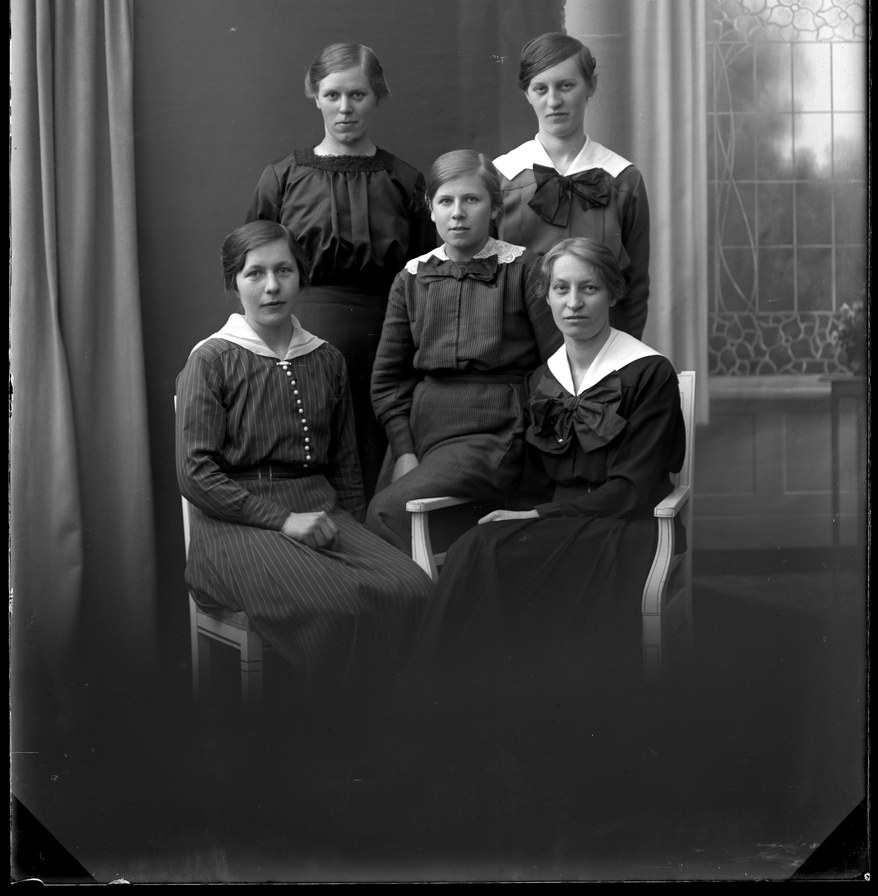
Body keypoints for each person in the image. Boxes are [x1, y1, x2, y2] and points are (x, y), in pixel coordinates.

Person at [408, 237, 685, 688]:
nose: (573, 303)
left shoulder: (650, 373)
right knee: (474, 546)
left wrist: (537, 516)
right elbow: (531, 476)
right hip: (556, 521)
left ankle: (468, 692)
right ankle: (455, 695)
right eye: (561, 289)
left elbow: (633, 488)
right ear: (548, 296)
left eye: (589, 288)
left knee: (487, 551)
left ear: (613, 295)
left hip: (626, 524)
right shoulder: (542, 378)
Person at [175, 221, 433, 690]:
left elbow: (346, 464)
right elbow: (195, 475)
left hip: (321, 511)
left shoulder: (326, 359)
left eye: (284, 270)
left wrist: (357, 536)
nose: (272, 286)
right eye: (255, 273)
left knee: (413, 587)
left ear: (301, 276)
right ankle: (337, 728)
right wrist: (282, 519)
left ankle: (393, 725)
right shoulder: (211, 361)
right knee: (337, 605)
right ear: (234, 282)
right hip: (233, 528)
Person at [246, 43, 434, 499]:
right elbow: (252, 271)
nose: (345, 108)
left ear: (377, 97)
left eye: (358, 95)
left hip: (384, 348)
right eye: (332, 95)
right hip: (297, 342)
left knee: (374, 471)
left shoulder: (405, 181)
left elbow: (426, 280)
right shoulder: (282, 178)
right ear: (315, 96)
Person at [365, 150, 561, 555]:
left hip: (495, 432)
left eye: (471, 199)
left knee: (389, 511)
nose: (457, 213)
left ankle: (434, 596)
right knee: (372, 528)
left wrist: (527, 427)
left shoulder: (524, 269)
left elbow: (558, 365)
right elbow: (388, 380)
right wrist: (404, 450)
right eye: (446, 201)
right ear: (431, 209)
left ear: (495, 207)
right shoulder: (411, 278)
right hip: (422, 434)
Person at [493, 32, 650, 339]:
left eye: (566, 86)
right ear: (526, 93)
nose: (554, 102)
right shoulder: (501, 177)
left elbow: (635, 285)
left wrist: (623, 358)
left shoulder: (623, 179)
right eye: (541, 88)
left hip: (600, 348)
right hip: (518, 349)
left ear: (590, 86)